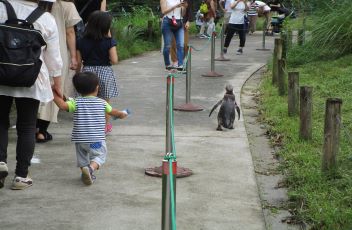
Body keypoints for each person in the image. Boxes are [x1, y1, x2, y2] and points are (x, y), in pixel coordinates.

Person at [0, 0, 62, 190]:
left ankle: (0, 162)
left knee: (0, 122)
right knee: (27, 126)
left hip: (1, 74)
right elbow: (54, 57)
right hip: (32, 78)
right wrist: (57, 85)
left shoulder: (1, 8)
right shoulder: (46, 18)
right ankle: (21, 176)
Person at [52, 72, 127, 185]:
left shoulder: (76, 102)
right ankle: (91, 169)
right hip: (96, 140)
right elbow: (114, 113)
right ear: (97, 87)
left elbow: (62, 105)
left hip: (80, 140)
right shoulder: (102, 102)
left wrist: (52, 92)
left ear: (77, 90)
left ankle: (87, 173)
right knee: (99, 156)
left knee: (83, 159)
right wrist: (122, 114)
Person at [36, 0, 81, 143]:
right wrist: (74, 56)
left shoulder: (34, 3)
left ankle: (30, 127)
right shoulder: (67, 6)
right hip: (57, 51)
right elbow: (70, 32)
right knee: (54, 88)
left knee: (33, 87)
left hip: (32, 51)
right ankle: (41, 131)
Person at [76, 10, 119, 134]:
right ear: (106, 27)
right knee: (105, 102)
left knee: (86, 101)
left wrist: (78, 74)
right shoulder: (109, 42)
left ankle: (87, 126)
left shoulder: (81, 41)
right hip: (105, 71)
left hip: (88, 71)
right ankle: (105, 126)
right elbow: (114, 60)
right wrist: (110, 39)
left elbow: (79, 62)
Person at [160, 0, 187, 70]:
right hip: (167, 22)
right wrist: (175, 6)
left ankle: (180, 65)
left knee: (181, 45)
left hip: (179, 22)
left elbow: (182, 14)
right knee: (168, 46)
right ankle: (167, 64)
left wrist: (184, 7)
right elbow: (163, 11)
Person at [170, 0, 192, 68]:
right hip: (172, 24)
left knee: (185, 44)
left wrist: (188, 21)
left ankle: (182, 59)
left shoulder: (186, 1)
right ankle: (175, 61)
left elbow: (189, 13)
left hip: (183, 25)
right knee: (173, 44)